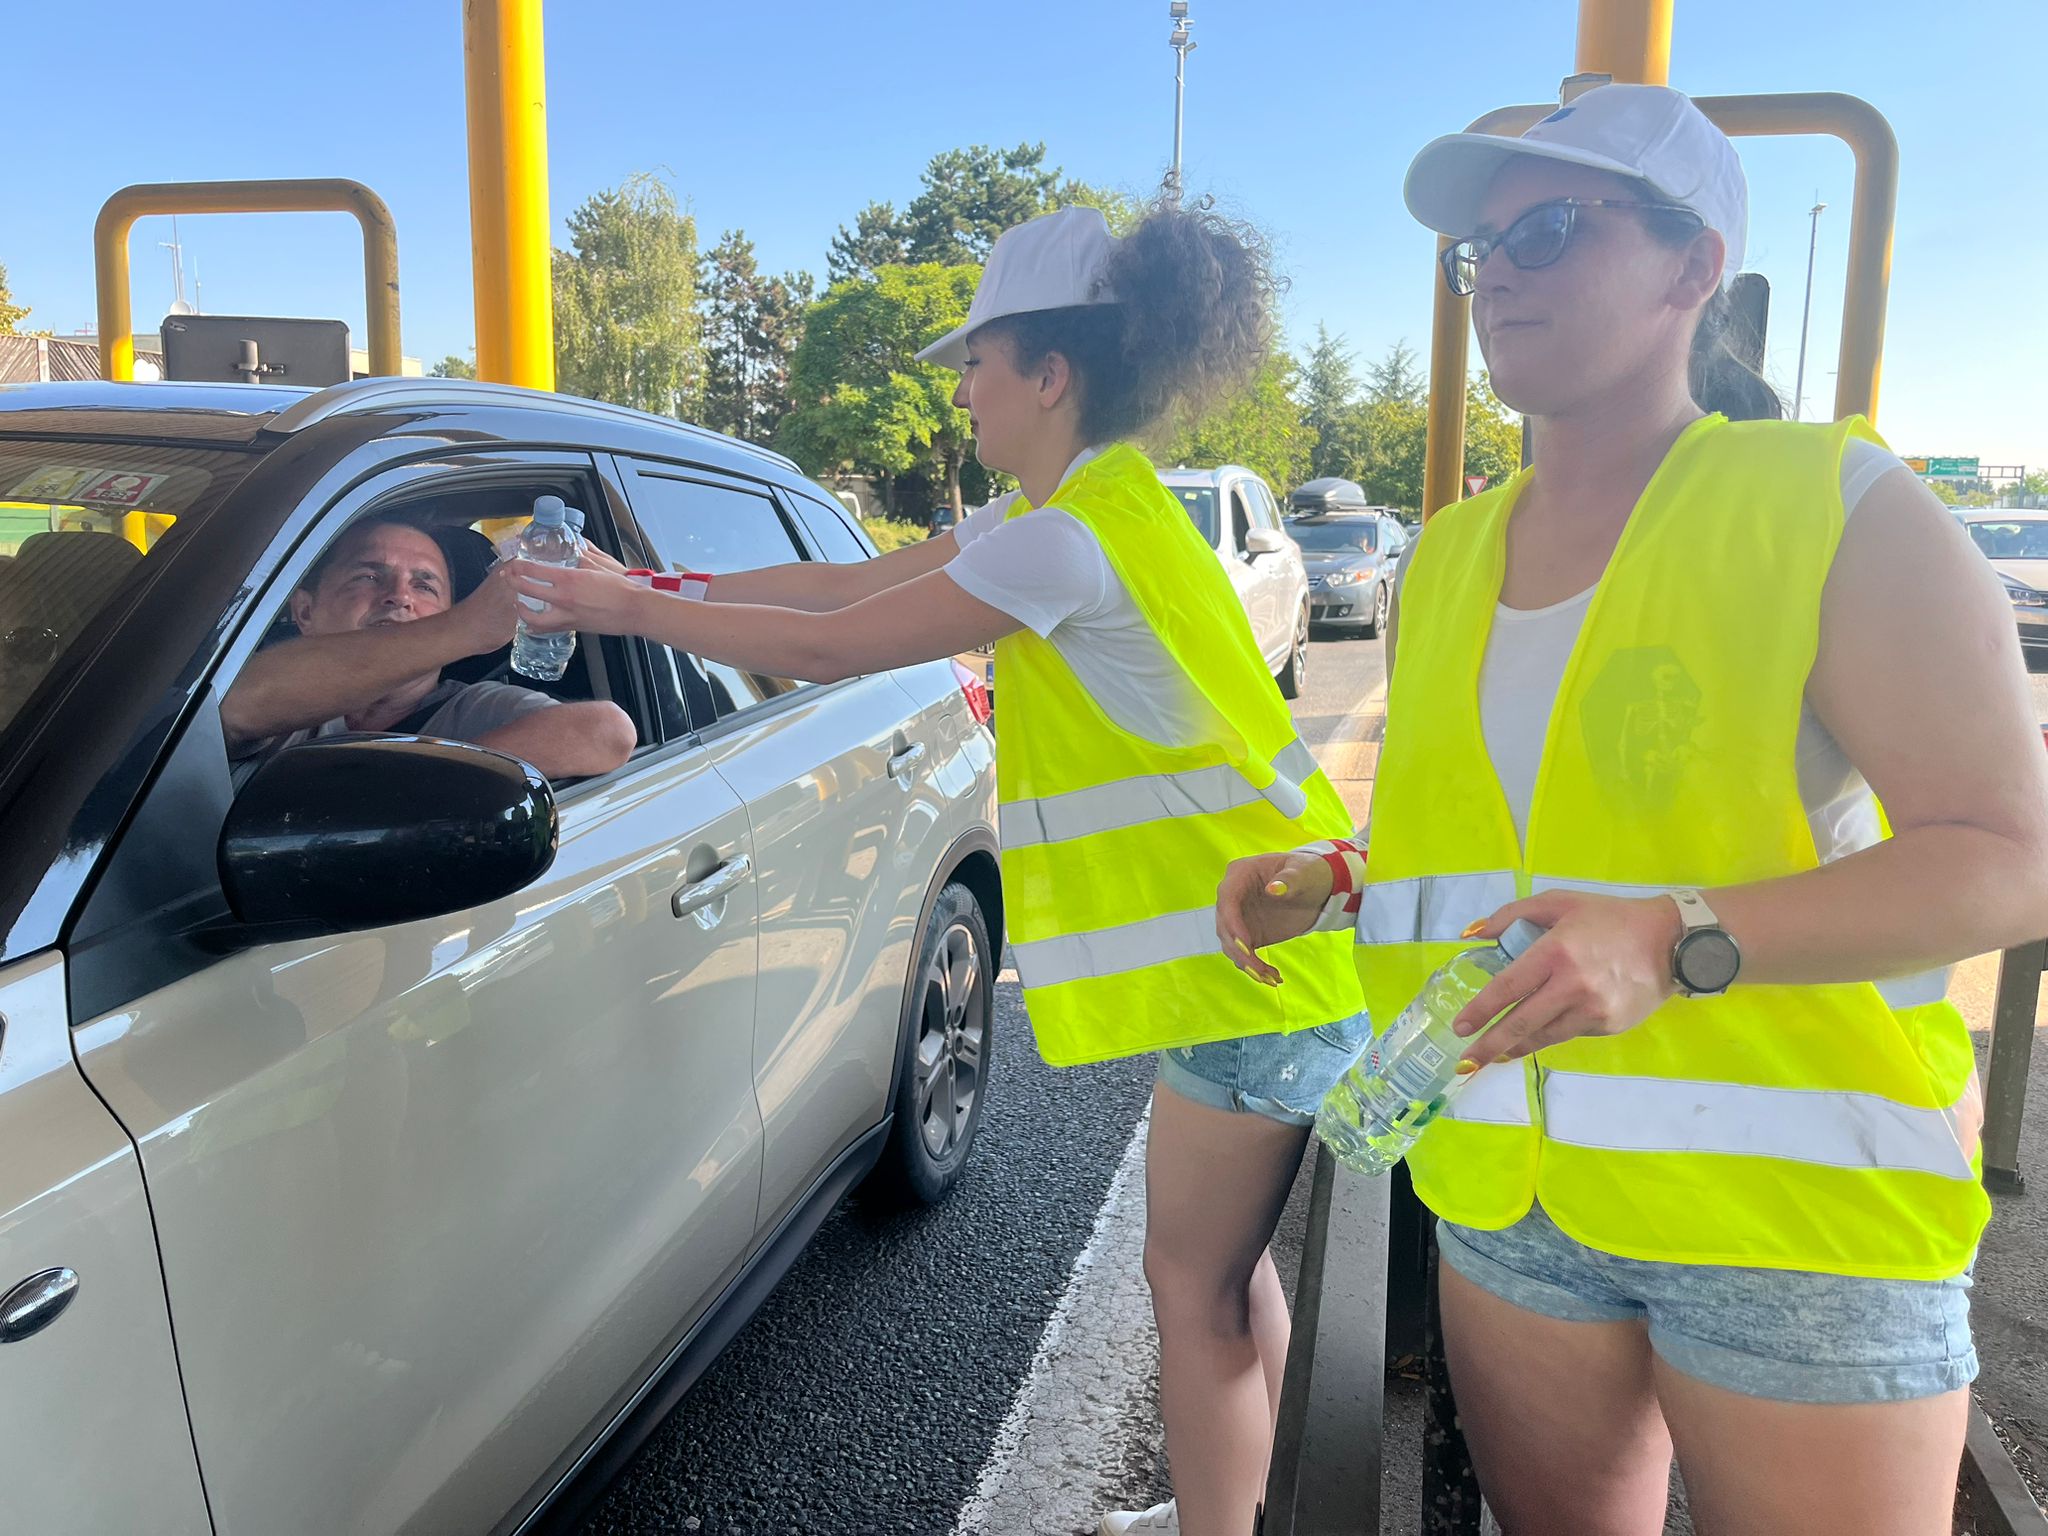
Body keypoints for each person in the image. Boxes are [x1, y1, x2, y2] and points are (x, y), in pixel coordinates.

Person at [1217, 84, 2048, 1535]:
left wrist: (1674, 940)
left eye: (1548, 227)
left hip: (1798, 1226)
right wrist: (1346, 873)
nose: (1504, 275)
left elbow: (2010, 862)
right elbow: (1540, 838)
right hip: (1511, 1196)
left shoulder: (1835, 509)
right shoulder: (1448, 558)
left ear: (1691, 268)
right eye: (1481, 252)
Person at [508, 203, 1369, 1536]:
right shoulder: (1098, 510)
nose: (960, 387)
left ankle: (1218, 1520)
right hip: (1277, 943)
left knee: (1193, 1291)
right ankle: (1224, 1498)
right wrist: (662, 582)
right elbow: (834, 588)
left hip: (1252, 963)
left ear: (1051, 374)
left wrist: (619, 605)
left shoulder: (1062, 539)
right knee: (1227, 1282)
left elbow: (843, 645)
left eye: (978, 360)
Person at [223, 512, 635, 781]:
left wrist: (396, 790)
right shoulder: (278, 705)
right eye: (368, 577)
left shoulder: (476, 709)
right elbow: (236, 708)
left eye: (424, 585)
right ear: (305, 611)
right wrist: (466, 629)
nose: (399, 596)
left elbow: (608, 731)